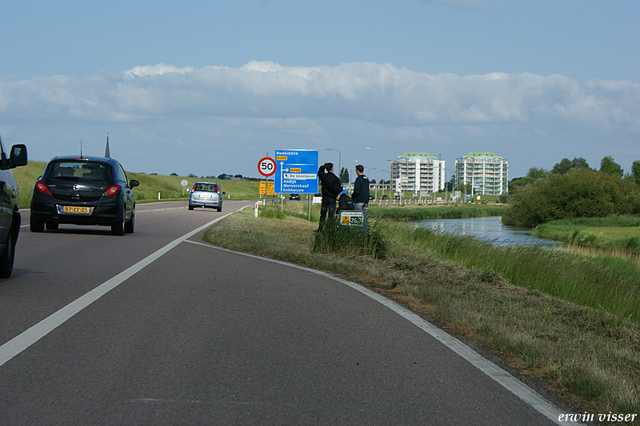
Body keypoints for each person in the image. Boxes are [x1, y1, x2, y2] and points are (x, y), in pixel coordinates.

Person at [317, 162, 343, 231]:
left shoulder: (324, 177)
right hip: (332, 198)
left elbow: (319, 172)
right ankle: (329, 229)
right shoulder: (335, 179)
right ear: (332, 168)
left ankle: (320, 228)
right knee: (331, 215)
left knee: (323, 214)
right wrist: (341, 188)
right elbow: (337, 190)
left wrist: (323, 166)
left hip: (325, 197)